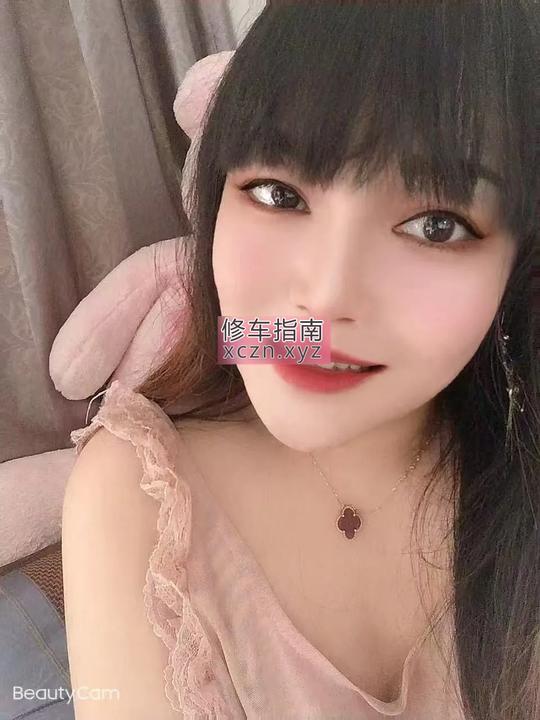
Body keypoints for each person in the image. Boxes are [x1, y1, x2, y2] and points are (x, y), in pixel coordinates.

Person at [61, 1, 540, 719]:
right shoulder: (137, 498)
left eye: (436, 225)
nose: (325, 295)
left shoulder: (519, 472)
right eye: (277, 193)